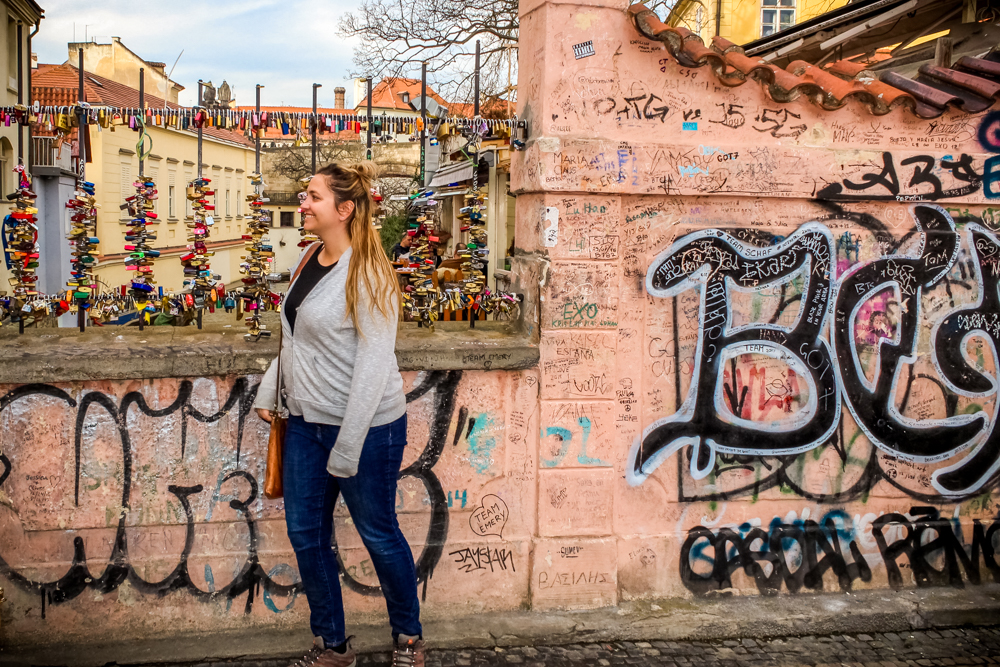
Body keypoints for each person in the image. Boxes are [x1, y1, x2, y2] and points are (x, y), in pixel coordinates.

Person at [254, 162, 424, 667]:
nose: (302, 205)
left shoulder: (369, 272)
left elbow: (374, 365)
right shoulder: (309, 257)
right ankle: (332, 645)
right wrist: (271, 392)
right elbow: (294, 338)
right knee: (306, 534)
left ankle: (409, 638)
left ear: (344, 209)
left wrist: (348, 446)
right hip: (306, 423)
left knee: (378, 533)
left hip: (368, 428)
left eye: (312, 197)